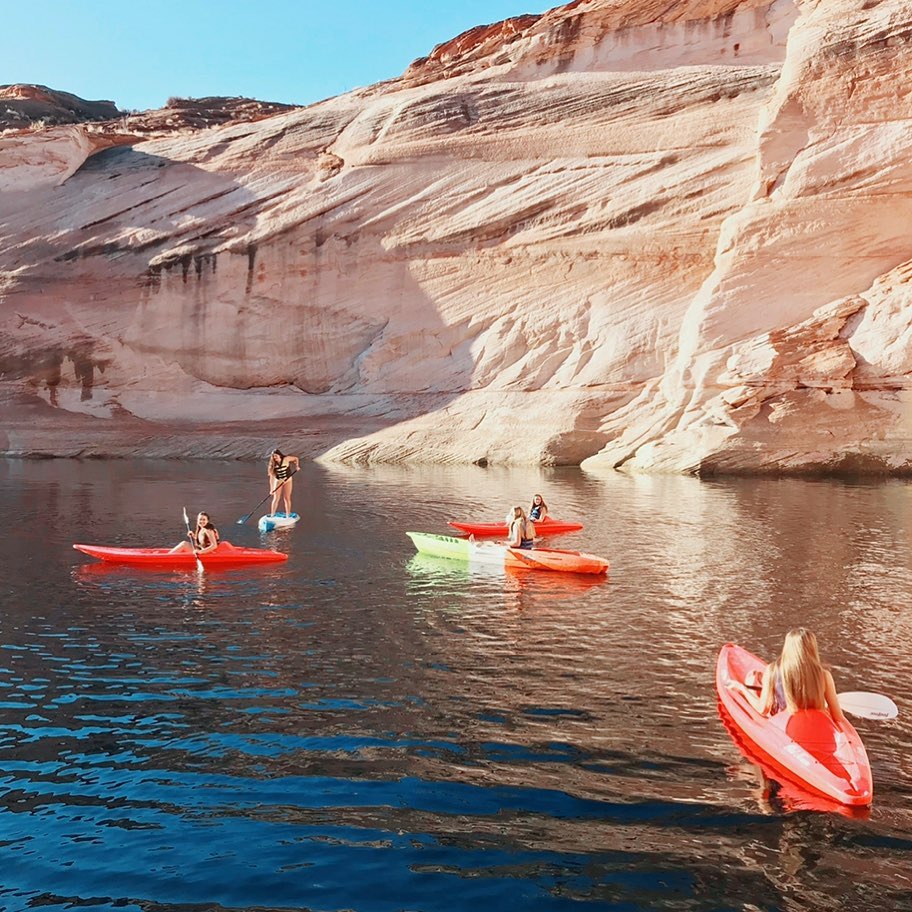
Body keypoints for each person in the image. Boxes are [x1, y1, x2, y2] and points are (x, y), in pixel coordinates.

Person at [728, 628, 846, 726]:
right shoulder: (825, 675)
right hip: (818, 729)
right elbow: (838, 717)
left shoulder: (773, 670)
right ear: (812, 648)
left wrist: (742, 689)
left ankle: (755, 683)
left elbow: (762, 710)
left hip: (786, 727)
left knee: (754, 687)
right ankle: (759, 681)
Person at [268, 449, 301, 516]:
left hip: (288, 480)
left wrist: (297, 466)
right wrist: (271, 489)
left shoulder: (286, 459)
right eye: (273, 456)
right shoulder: (272, 465)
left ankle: (288, 514)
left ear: (279, 455)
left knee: (287, 498)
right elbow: (271, 478)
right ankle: (272, 515)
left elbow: (296, 458)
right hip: (278, 481)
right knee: (276, 498)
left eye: (276, 456)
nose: (275, 458)